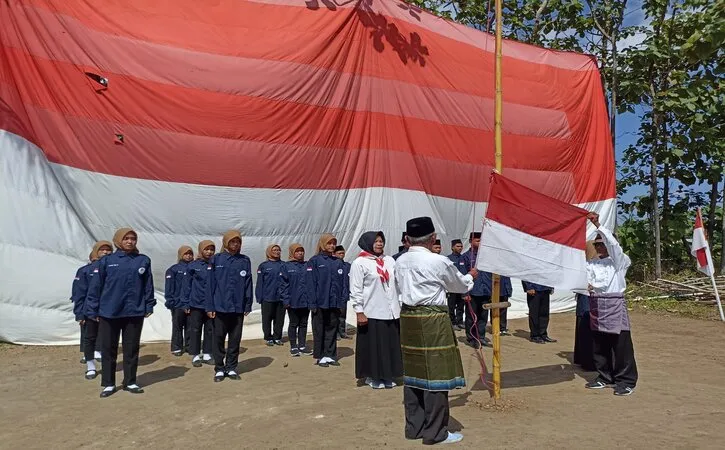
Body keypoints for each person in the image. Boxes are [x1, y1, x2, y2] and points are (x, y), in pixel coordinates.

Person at [396, 216, 475, 445]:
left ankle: (415, 427)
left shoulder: (400, 260)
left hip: (408, 317)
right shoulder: (437, 261)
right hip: (432, 319)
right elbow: (459, 285)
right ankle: (435, 432)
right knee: (436, 375)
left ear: (408, 239)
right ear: (432, 238)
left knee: (413, 373)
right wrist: (472, 276)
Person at [86, 228, 156, 398]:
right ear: (118, 240)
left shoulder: (143, 261)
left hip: (134, 312)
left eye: (133, 238)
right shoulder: (107, 261)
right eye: (126, 238)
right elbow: (96, 287)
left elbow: (148, 285)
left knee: (131, 348)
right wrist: (93, 309)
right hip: (110, 312)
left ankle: (130, 381)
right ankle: (109, 383)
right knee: (109, 348)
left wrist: (148, 305)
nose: (130, 241)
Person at [585, 213, 638, 396]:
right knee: (600, 344)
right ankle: (604, 376)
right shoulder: (592, 264)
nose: (599, 247)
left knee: (621, 344)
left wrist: (598, 225)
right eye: (597, 244)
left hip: (614, 305)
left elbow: (614, 246)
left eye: (602, 243)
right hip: (597, 305)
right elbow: (583, 280)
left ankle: (626, 380)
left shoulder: (620, 262)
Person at [351, 231, 402, 389]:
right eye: (376, 241)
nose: (379, 244)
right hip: (372, 312)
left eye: (381, 241)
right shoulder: (360, 263)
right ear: (367, 243)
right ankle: (373, 376)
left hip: (391, 311)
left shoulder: (390, 260)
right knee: (374, 347)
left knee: (390, 345)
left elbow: (398, 284)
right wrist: (359, 311)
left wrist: (400, 303)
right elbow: (356, 289)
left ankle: (389, 374)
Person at [206, 230, 253, 382]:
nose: (235, 244)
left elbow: (248, 283)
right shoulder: (216, 260)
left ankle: (231, 367)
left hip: (237, 308)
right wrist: (210, 307)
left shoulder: (244, 260)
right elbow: (210, 285)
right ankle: (219, 368)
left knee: (235, 339)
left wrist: (247, 304)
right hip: (220, 307)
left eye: (238, 241)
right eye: (232, 241)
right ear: (226, 242)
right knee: (218, 339)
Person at [71, 240, 112, 378]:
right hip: (89, 311)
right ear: (95, 251)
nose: (106, 252)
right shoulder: (85, 271)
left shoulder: (114, 269)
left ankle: (104, 361)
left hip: (108, 311)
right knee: (89, 338)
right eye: (102, 250)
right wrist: (80, 314)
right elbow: (79, 293)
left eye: (108, 250)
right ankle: (91, 366)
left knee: (108, 339)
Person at [307, 233, 346, 367]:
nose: (332, 246)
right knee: (319, 329)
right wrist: (312, 302)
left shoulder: (338, 262)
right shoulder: (314, 261)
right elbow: (310, 284)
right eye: (329, 243)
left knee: (332, 328)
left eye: (334, 243)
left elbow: (343, 282)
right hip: (320, 302)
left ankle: (331, 354)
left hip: (334, 302)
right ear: (323, 244)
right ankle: (321, 355)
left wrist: (342, 299)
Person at [181, 240, 216, 367]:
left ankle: (207, 353)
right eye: (206, 249)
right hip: (196, 304)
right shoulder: (192, 266)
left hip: (211, 304)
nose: (209, 252)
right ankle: (195, 355)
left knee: (210, 329)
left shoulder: (216, 264)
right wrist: (185, 303)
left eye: (212, 249)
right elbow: (186, 286)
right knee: (195, 329)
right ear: (201, 250)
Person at [280, 244, 312, 356]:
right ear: (292, 253)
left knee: (304, 323)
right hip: (293, 301)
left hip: (306, 301)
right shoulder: (286, 266)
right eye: (297, 251)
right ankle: (293, 346)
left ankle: (302, 345)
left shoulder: (308, 265)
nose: (300, 253)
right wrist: (285, 300)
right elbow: (283, 284)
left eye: (302, 251)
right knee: (293, 323)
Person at [462, 232, 491, 348]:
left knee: (483, 316)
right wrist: (465, 293)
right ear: (470, 241)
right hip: (472, 292)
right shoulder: (466, 257)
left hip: (485, 291)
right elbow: (462, 276)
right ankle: (471, 338)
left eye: (481, 241)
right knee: (472, 317)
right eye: (477, 240)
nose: (479, 243)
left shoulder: (486, 257)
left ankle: (481, 337)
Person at [574, 240, 598, 371]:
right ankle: (587, 360)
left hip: (587, 298)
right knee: (586, 327)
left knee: (584, 327)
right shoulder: (587, 266)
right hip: (586, 298)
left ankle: (583, 358)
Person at [165, 246, 193, 356]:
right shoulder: (173, 269)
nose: (188, 256)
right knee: (177, 326)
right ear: (181, 255)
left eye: (190, 253)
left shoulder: (194, 268)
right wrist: (170, 300)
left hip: (191, 303)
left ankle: (190, 346)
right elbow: (169, 287)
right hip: (177, 303)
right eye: (186, 254)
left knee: (190, 326)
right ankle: (176, 347)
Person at [256, 244, 285, 346]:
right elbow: (260, 283)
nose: (277, 252)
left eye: (278, 250)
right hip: (267, 297)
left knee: (279, 319)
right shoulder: (263, 266)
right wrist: (259, 296)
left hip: (281, 298)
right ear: (269, 252)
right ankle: (268, 337)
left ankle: (277, 337)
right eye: (274, 250)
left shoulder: (284, 265)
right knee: (267, 319)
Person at [446, 239, 466, 330]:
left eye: (461, 246)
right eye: (458, 246)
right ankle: (452, 322)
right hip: (452, 287)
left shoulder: (463, 258)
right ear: (452, 247)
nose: (460, 248)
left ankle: (460, 321)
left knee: (461, 305)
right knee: (451, 305)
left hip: (461, 286)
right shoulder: (448, 259)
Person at [334, 245, 352, 340]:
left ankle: (342, 332)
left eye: (342, 253)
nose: (341, 255)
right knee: (335, 315)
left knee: (343, 314)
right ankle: (335, 332)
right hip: (336, 294)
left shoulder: (347, 266)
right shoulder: (333, 265)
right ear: (334, 254)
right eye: (339, 253)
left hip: (344, 294)